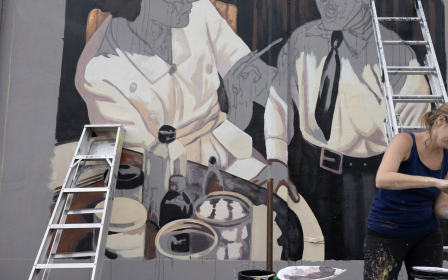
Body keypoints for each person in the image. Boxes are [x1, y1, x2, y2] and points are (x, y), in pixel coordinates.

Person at [254, 0, 430, 260]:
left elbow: (416, 130)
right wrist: (278, 159)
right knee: (304, 259)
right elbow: (279, 100)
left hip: (371, 183)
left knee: (369, 261)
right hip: (310, 177)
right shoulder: (302, 40)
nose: (326, 5)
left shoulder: (395, 53)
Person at [76, 0, 272, 180]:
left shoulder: (197, 10)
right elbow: (141, 166)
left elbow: (256, 78)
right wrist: (237, 119)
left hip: (228, 150)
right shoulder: (98, 71)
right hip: (163, 179)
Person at [364, 100, 448, 280]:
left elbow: (440, 209)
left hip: (427, 235)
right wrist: (436, 182)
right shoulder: (404, 141)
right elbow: (382, 179)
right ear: (441, 120)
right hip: (386, 233)